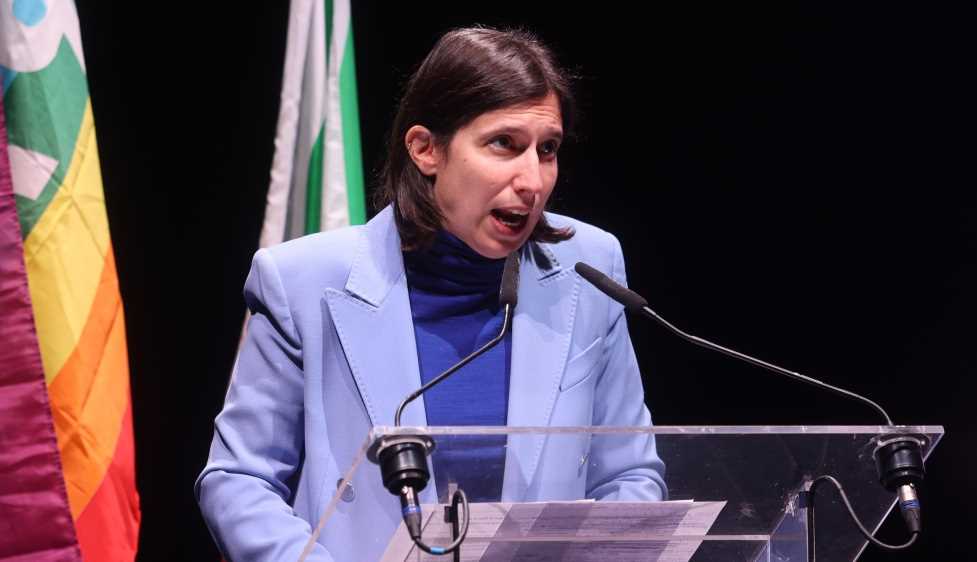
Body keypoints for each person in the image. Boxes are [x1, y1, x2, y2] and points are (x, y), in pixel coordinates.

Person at [196, 27, 666, 561]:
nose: (533, 181)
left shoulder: (590, 269)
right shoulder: (302, 282)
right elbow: (239, 480)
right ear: (425, 149)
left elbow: (629, 474)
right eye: (504, 144)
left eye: (547, 149)